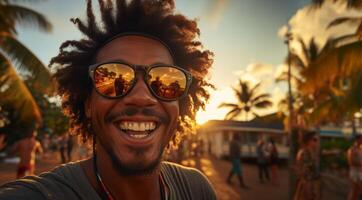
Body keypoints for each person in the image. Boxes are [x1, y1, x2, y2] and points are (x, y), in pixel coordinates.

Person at [0, 0, 216, 199]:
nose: (141, 97)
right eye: (114, 78)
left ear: (180, 105)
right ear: (88, 105)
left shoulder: (196, 189)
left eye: (166, 82)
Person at [294, 130, 320, 200]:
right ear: (309, 141)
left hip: (311, 184)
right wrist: (308, 188)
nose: (317, 142)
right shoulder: (304, 153)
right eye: (315, 139)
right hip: (306, 185)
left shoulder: (312, 152)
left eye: (317, 140)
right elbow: (303, 173)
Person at [347, 134, 362, 200]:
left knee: (359, 191)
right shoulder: (352, 149)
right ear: (357, 140)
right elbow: (350, 162)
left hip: (360, 172)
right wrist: (361, 164)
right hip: (354, 172)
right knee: (353, 191)